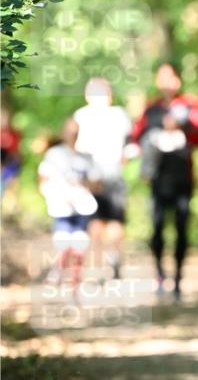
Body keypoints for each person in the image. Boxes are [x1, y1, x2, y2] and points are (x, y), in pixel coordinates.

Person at [130, 63, 198, 300]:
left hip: (183, 178)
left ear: (178, 80)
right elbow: (137, 137)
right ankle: (159, 275)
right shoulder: (151, 110)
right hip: (157, 179)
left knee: (182, 228)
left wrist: (183, 125)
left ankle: (178, 280)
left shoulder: (190, 106)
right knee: (156, 228)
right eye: (162, 77)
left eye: (171, 77)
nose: (167, 82)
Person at [74, 77, 132, 281]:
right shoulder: (118, 115)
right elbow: (129, 146)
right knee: (109, 220)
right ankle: (109, 258)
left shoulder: (82, 117)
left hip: (97, 174)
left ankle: (101, 263)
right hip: (107, 172)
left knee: (99, 220)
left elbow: (77, 149)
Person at [38, 118, 100, 293]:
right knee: (63, 242)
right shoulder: (54, 155)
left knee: (80, 243)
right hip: (61, 207)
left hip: (82, 206)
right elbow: (43, 180)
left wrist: (84, 184)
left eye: (76, 131)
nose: (73, 135)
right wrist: (52, 194)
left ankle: (75, 282)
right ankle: (59, 271)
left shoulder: (86, 157)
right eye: (70, 131)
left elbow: (96, 183)